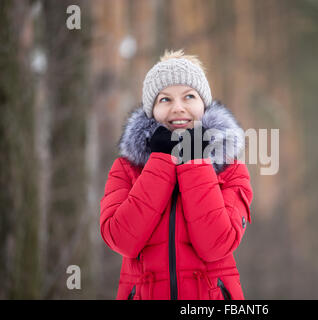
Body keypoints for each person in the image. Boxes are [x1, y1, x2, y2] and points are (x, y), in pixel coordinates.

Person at [100, 49, 253, 300]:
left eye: (189, 96)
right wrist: (161, 161)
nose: (178, 108)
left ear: (204, 104)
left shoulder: (231, 170)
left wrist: (194, 160)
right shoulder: (126, 170)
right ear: (152, 110)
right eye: (165, 99)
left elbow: (216, 244)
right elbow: (121, 239)